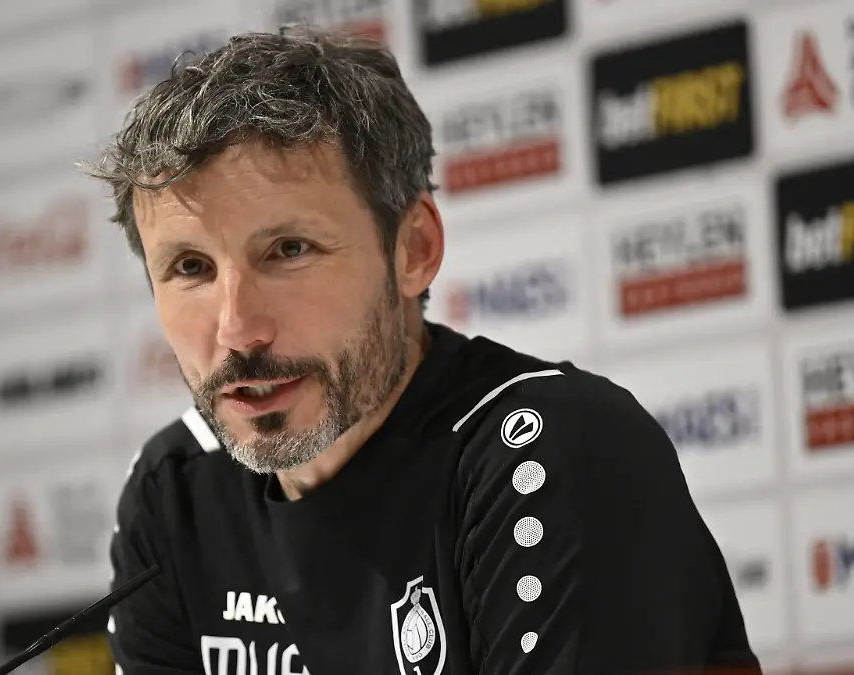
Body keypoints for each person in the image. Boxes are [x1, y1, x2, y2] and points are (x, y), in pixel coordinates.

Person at [83, 27, 761, 675]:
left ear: (414, 250)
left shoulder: (546, 454)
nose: (237, 329)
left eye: (288, 250)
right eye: (191, 268)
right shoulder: (176, 494)